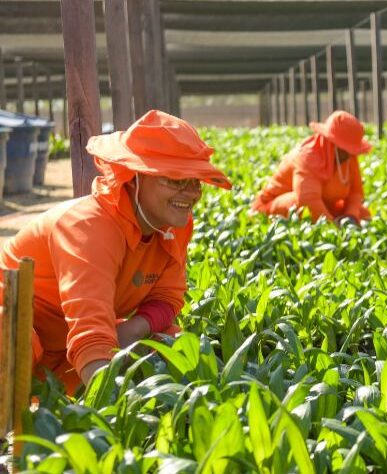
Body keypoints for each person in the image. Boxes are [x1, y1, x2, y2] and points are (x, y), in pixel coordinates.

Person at [0, 110, 232, 394]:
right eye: (174, 180)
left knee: (171, 341)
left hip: (63, 344)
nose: (191, 193)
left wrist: (133, 330)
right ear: (134, 177)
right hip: (24, 335)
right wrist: (114, 419)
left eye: (195, 181)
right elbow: (90, 331)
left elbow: (168, 297)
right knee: (13, 339)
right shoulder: (90, 228)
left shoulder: (174, 222)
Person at [251, 110, 371, 225]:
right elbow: (307, 200)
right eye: (345, 149)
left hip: (322, 204)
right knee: (296, 204)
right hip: (271, 207)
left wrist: (351, 216)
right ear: (332, 143)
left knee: (362, 213)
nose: (349, 154)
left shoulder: (348, 157)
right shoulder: (308, 156)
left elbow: (356, 192)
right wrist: (334, 229)